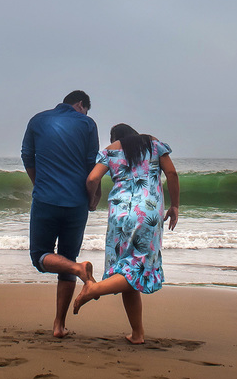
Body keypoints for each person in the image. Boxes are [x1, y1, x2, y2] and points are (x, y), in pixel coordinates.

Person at [72, 123, 179, 345]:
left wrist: (92, 199)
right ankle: (94, 289)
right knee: (138, 266)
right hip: (147, 211)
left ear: (115, 138)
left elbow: (92, 179)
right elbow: (171, 173)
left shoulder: (110, 151)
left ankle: (137, 334)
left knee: (127, 268)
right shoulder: (153, 143)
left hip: (119, 214)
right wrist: (175, 205)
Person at [21, 90, 101, 338]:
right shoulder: (88, 124)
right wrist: (92, 198)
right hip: (76, 203)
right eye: (85, 110)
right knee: (68, 260)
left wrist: (39, 184)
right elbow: (92, 167)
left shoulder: (37, 120)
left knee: (40, 256)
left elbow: (27, 156)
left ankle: (78, 268)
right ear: (80, 104)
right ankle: (58, 325)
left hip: (45, 200)